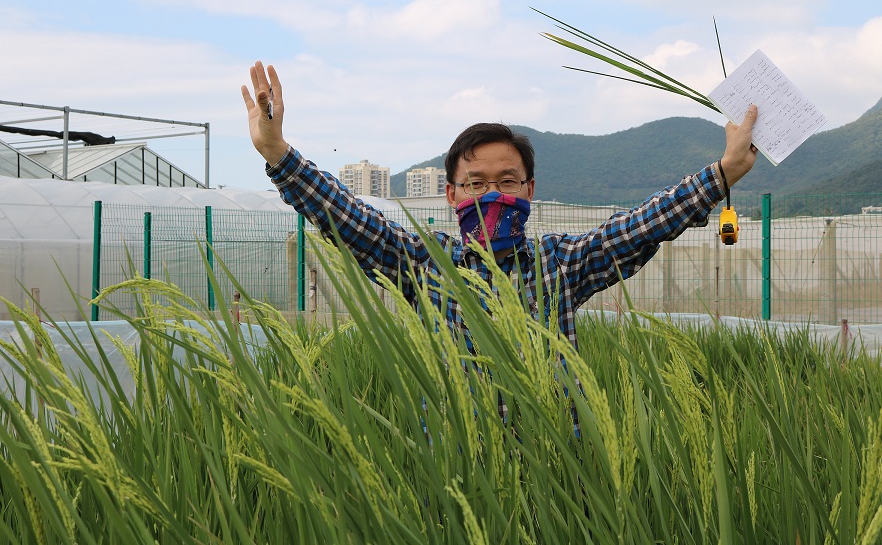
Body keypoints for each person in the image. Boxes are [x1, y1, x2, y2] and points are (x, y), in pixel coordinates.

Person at [242, 60, 759, 349]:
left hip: (554, 470)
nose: (492, 195)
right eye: (475, 183)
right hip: (458, 475)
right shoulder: (428, 266)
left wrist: (722, 174)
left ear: (529, 191)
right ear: (451, 194)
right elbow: (353, 221)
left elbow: (638, 228)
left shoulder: (560, 266)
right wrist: (278, 153)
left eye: (507, 181)